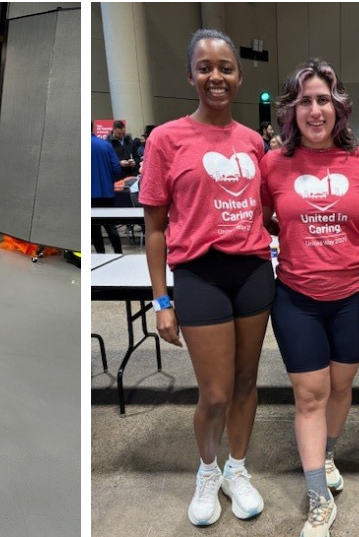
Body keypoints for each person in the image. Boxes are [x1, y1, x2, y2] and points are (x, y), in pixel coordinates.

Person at [140, 28, 270, 526]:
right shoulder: (166, 140)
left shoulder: (254, 142)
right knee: (213, 392)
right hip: (200, 277)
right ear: (191, 75)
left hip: (254, 273)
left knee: (245, 382)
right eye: (205, 67)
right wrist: (161, 300)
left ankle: (238, 468)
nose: (216, 76)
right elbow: (154, 229)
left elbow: (267, 208)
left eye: (225, 67)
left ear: (238, 75)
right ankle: (208, 470)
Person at [260, 58, 359, 537]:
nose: (315, 109)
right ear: (291, 110)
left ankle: (327, 455)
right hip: (296, 298)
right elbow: (265, 219)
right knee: (310, 396)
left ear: (339, 106)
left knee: (340, 389)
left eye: (323, 99)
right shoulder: (273, 164)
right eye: (305, 100)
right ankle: (317, 499)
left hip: (354, 297)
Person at [90, 129, 123, 254]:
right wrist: (107, 180)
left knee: (94, 229)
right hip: (107, 192)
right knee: (111, 226)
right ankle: (118, 253)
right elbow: (116, 167)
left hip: (89, 195)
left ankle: (100, 255)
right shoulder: (106, 145)